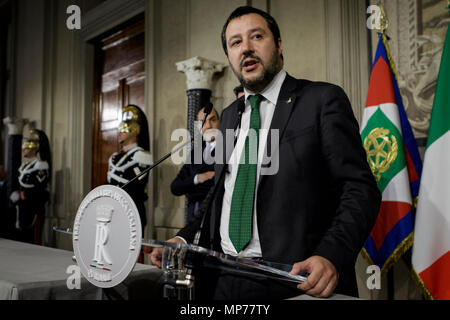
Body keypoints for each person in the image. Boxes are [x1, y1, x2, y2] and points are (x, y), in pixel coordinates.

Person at [151, 6, 380, 300]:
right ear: (230, 57)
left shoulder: (321, 100)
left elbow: (360, 189)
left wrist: (331, 254)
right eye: (235, 43)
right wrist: (182, 237)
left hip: (294, 280)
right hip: (224, 277)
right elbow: (219, 197)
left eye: (256, 36)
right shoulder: (230, 116)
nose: (246, 48)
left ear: (279, 44)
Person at [170, 106, 220, 225]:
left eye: (212, 120)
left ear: (220, 122)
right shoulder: (195, 153)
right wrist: (197, 179)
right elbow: (175, 187)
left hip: (214, 218)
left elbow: (215, 186)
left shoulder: (228, 149)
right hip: (193, 218)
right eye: (203, 122)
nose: (208, 126)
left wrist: (190, 189)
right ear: (198, 127)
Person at [107, 104, 152, 232]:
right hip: (114, 210)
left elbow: (138, 184)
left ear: (134, 133)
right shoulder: (115, 157)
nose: (119, 134)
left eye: (124, 130)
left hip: (132, 210)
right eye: (119, 130)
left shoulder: (142, 156)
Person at [10, 129, 51, 244]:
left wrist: (21, 195)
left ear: (34, 149)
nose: (23, 150)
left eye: (27, 148)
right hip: (23, 206)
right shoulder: (25, 166)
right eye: (24, 148)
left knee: (32, 237)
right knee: (22, 236)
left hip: (34, 206)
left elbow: (40, 189)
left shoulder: (40, 165)